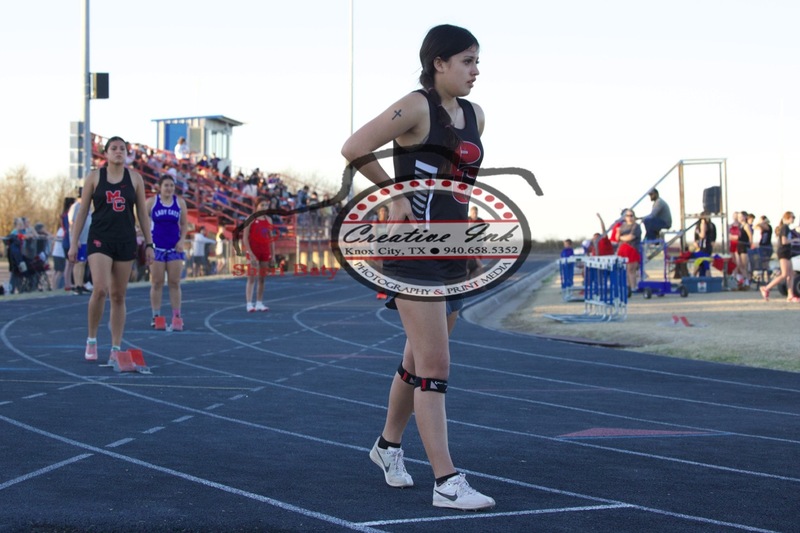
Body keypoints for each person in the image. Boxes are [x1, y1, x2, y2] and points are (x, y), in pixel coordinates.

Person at [341, 24, 494, 511]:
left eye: (477, 61)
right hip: (412, 252)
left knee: (416, 361)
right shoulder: (414, 105)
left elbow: (460, 186)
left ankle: (387, 448)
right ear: (439, 63)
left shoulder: (476, 115)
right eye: (467, 61)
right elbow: (354, 146)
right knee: (435, 365)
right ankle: (447, 481)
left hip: (452, 252)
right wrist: (395, 193)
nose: (476, 70)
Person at [68, 136, 155, 362]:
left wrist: (149, 244)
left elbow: (143, 216)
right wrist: (74, 241)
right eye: (114, 148)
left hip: (125, 239)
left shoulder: (135, 179)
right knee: (100, 289)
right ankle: (92, 339)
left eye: (122, 149)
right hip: (100, 239)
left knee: (118, 295)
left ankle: (116, 347)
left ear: (127, 154)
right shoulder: (95, 177)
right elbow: (83, 211)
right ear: (105, 153)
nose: (118, 151)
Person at [146, 174, 188, 331]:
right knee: (156, 282)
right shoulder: (152, 202)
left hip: (174, 248)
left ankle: (177, 316)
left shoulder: (180, 203)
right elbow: (142, 219)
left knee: (174, 282)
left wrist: (182, 241)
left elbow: (184, 224)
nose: (169, 188)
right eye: (166, 185)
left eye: (172, 185)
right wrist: (148, 241)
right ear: (160, 187)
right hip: (157, 247)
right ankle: (155, 315)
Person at [242, 199, 273, 312]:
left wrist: (272, 255)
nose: (264, 206)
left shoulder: (268, 220)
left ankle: (259, 303)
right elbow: (245, 238)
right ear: (257, 206)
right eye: (262, 204)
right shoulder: (250, 219)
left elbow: (271, 239)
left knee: (262, 279)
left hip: (264, 251)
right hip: (253, 251)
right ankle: (249, 304)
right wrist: (250, 253)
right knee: (251, 278)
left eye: (266, 204)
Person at [760, 211, 798, 302]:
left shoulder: (787, 228)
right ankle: (766, 288)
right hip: (783, 252)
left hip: (787, 252)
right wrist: (794, 240)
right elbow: (784, 241)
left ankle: (790, 295)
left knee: (791, 274)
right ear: (787, 218)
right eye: (792, 217)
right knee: (784, 274)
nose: (793, 219)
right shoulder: (784, 228)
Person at [69, 192, 92, 295]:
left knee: (83, 263)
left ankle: (81, 284)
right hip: (80, 239)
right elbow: (72, 223)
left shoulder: (87, 207)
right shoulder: (76, 206)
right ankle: (76, 285)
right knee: (78, 262)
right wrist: (75, 239)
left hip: (86, 239)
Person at [617, 209, 642, 291]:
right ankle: (627, 287)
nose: (629, 217)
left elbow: (630, 237)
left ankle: (633, 287)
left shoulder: (636, 226)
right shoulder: (622, 226)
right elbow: (616, 238)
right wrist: (619, 235)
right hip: (622, 250)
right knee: (623, 270)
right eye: (627, 216)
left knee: (631, 269)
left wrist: (621, 237)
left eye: (631, 215)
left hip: (632, 249)